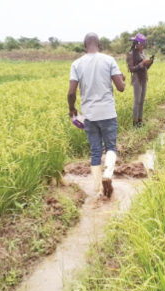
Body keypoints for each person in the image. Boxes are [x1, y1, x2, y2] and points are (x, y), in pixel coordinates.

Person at [68, 33, 125, 199]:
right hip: (107, 112)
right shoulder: (109, 60)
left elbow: (71, 92)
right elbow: (120, 87)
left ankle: (98, 189)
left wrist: (72, 108)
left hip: (89, 115)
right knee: (111, 147)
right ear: (99, 45)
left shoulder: (76, 64)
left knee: (95, 151)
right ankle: (108, 174)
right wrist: (123, 80)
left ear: (85, 46)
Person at [126, 33, 153, 127]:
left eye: (143, 45)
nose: (142, 46)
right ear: (136, 43)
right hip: (137, 78)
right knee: (137, 101)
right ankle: (135, 122)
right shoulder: (131, 54)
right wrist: (142, 63)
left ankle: (140, 121)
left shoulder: (142, 53)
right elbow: (132, 69)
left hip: (144, 77)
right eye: (141, 45)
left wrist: (149, 62)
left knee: (142, 100)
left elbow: (145, 68)